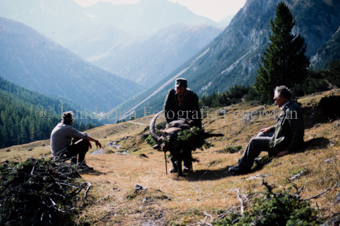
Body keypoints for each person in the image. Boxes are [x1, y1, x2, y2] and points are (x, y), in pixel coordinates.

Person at [228, 85, 305, 175]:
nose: (274, 100)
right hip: (283, 138)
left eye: (276, 98)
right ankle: (246, 162)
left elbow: (298, 132)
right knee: (260, 134)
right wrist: (270, 129)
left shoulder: (291, 110)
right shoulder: (288, 107)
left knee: (254, 142)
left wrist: (288, 150)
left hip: (283, 144)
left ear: (283, 98)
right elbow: (284, 125)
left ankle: (242, 169)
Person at [163, 78, 202, 173]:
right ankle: (174, 165)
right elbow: (166, 109)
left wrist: (196, 127)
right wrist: (170, 123)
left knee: (187, 140)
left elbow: (196, 112)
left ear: (185, 88)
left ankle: (187, 165)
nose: (178, 90)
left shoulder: (192, 96)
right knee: (171, 142)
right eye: (177, 88)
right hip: (173, 123)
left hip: (187, 123)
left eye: (180, 88)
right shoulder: (171, 94)